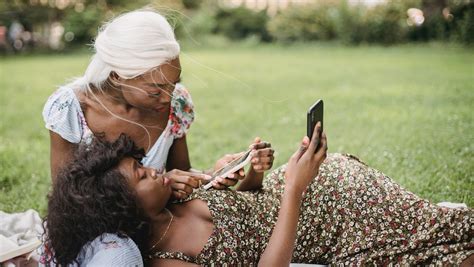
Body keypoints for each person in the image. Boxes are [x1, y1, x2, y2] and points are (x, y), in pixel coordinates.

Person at [43, 124, 474, 266]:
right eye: (141, 175)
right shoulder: (168, 261)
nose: (154, 169)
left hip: (330, 194)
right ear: (121, 207)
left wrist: (251, 174)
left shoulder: (174, 196)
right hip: (329, 221)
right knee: (445, 249)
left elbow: (249, 206)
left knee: (441, 234)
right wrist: (294, 190)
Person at [42, 9, 275, 199]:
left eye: (174, 83)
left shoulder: (176, 102)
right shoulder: (72, 108)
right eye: (155, 91)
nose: (169, 97)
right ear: (117, 76)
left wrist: (213, 173)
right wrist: (159, 185)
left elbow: (181, 172)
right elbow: (66, 197)